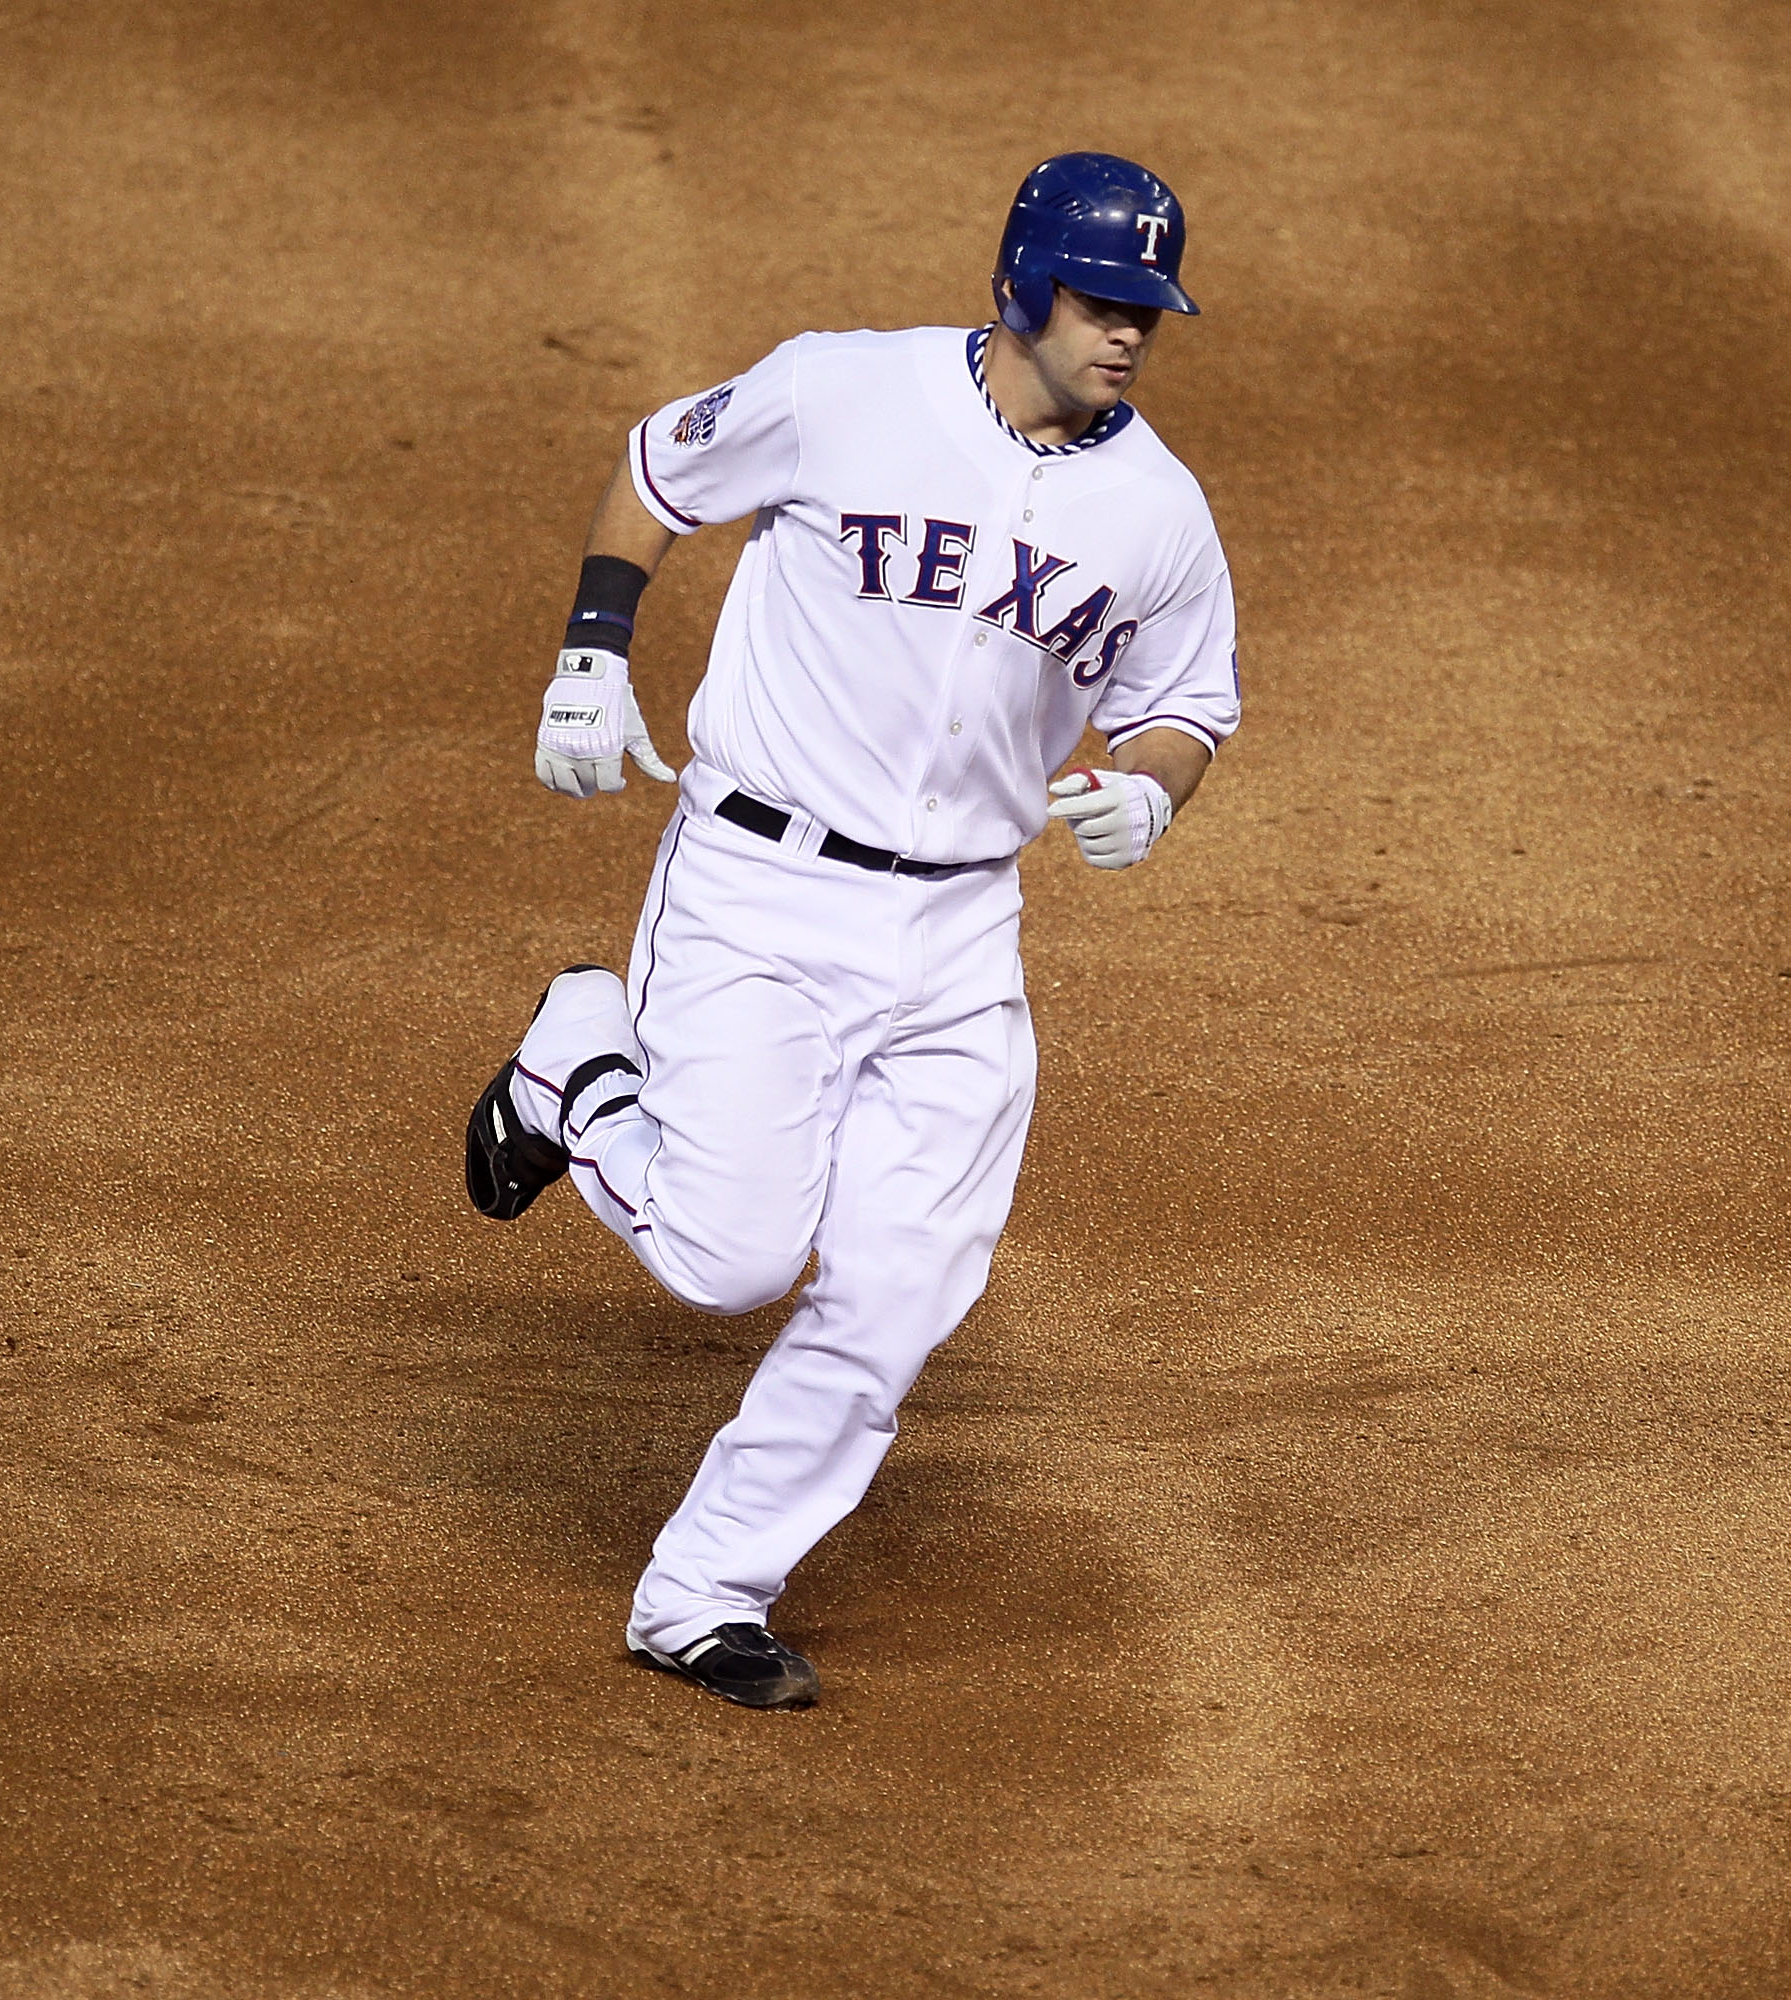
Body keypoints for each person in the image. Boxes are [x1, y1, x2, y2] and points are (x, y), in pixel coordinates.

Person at [462, 153, 1242, 1709]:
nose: (1130, 337)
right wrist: (594, 653)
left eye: (1149, 311)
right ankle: (575, 1068)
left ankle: (702, 1592)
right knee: (727, 1258)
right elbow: (658, 468)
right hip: (762, 887)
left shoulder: (1159, 512)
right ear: (1022, 285)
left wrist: (1154, 790)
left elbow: (1189, 701)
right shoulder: (843, 392)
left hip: (960, 931)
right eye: (1102, 303)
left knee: (899, 1292)